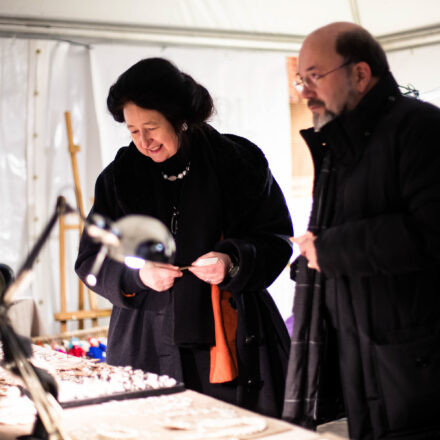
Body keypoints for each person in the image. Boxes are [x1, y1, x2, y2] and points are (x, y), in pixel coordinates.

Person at [75, 57, 293, 417]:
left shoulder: (239, 163)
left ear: (180, 119)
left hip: (235, 337)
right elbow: (90, 260)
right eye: (132, 131)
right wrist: (137, 275)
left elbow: (275, 237)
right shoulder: (119, 178)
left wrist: (232, 259)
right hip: (147, 340)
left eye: (151, 127)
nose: (143, 141)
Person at [282, 22, 440, 440]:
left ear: (360, 73)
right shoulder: (338, 145)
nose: (304, 90)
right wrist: (310, 264)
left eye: (314, 76)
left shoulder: (421, 129)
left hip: (418, 372)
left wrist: (329, 251)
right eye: (301, 79)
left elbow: (430, 234)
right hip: (363, 363)